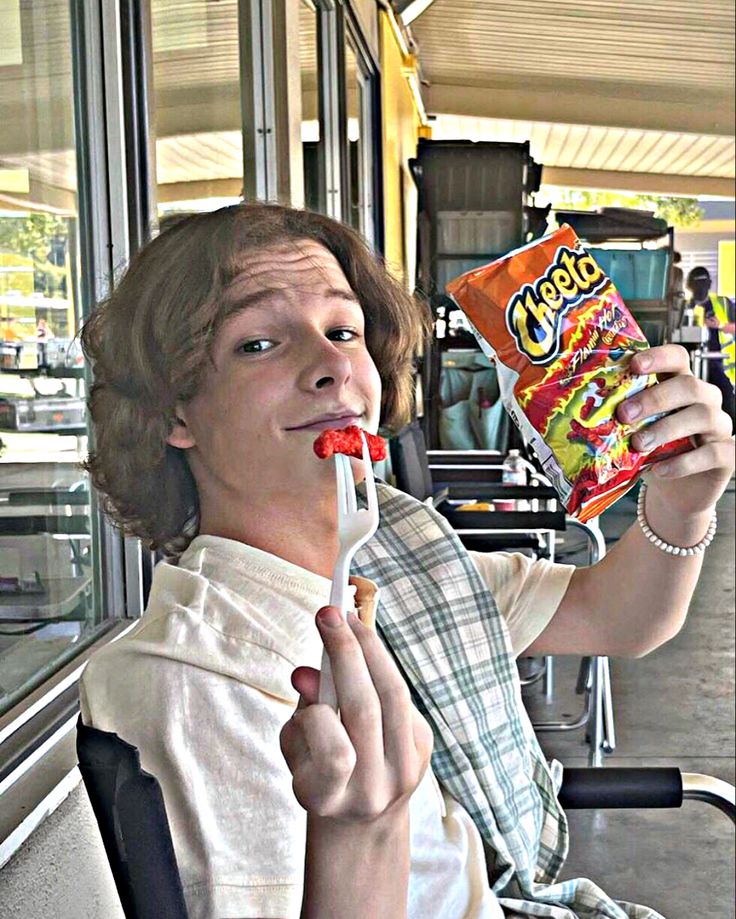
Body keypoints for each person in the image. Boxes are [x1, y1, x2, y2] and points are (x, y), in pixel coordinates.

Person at [78, 204, 734, 919]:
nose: (332, 364)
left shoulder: (398, 552)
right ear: (174, 413)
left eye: (343, 330)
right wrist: (363, 830)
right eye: (259, 343)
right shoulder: (189, 683)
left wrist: (682, 506)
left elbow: (619, 618)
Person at [685, 265, 735, 424]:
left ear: (710, 283)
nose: (700, 288)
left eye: (703, 283)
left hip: (722, 363)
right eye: (696, 284)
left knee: (726, 398)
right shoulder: (685, 306)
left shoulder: (723, 303)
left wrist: (720, 325)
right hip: (695, 362)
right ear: (689, 286)